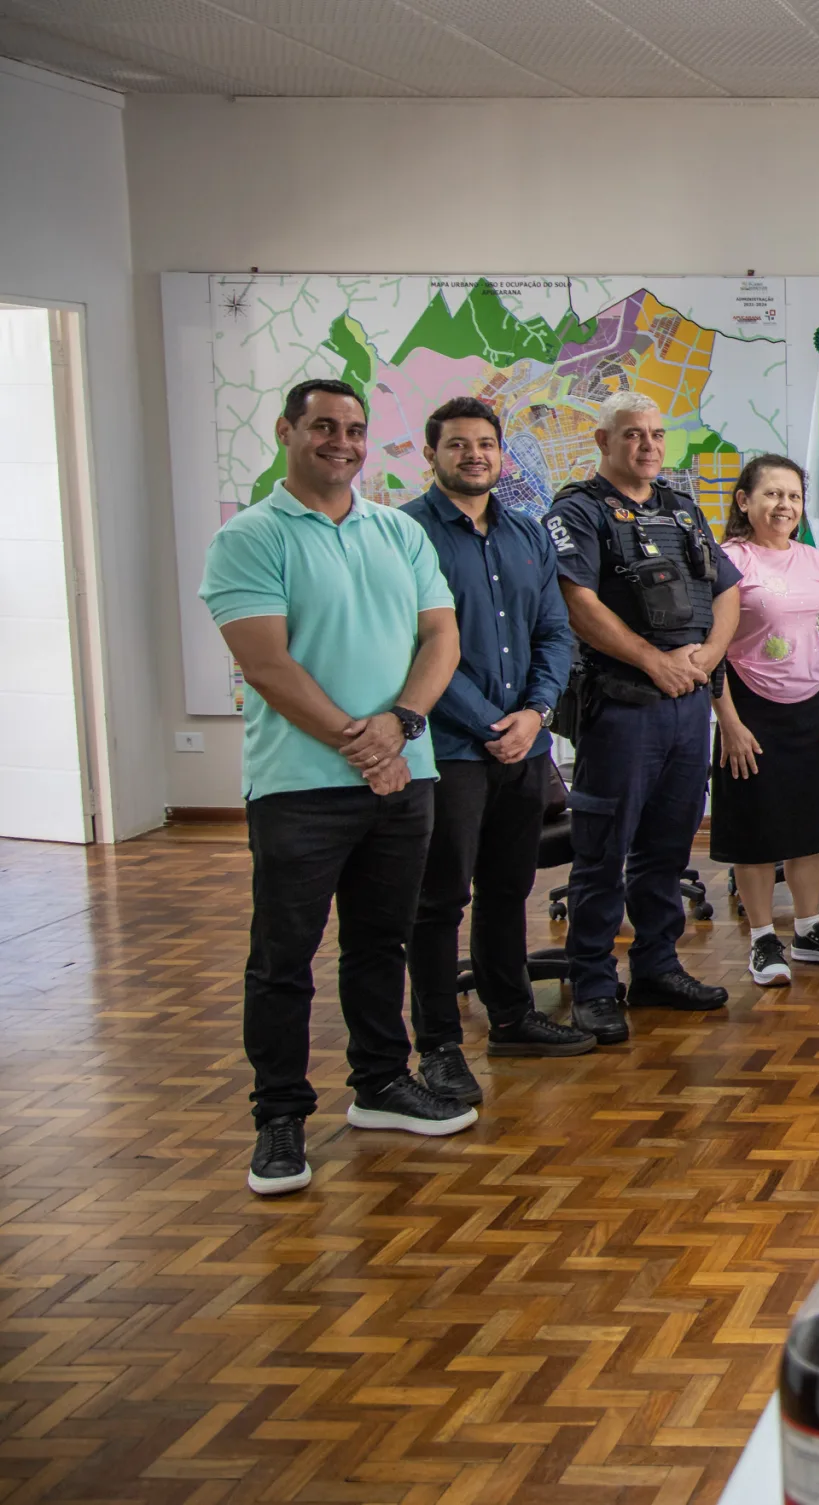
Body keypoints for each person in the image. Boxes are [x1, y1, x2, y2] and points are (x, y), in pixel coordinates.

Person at [199, 377, 467, 1197]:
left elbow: (441, 636)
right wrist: (365, 743)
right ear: (287, 431)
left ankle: (380, 1082)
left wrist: (402, 724)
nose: (341, 442)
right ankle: (279, 1115)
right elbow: (266, 664)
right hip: (299, 786)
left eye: (353, 428)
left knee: (380, 944)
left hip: (405, 776)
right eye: (323, 426)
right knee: (283, 959)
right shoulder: (249, 537)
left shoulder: (399, 531)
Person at [400, 397, 593, 1106]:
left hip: (525, 744)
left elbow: (554, 632)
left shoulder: (526, 533)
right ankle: (439, 1045)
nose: (474, 455)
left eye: (485, 443)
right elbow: (415, 646)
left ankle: (511, 1018)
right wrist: (492, 724)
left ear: (500, 453)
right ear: (432, 453)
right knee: (439, 899)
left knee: (508, 889)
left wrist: (535, 713)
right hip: (451, 748)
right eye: (458, 444)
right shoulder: (407, 533)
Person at [545, 392, 741, 1043]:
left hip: (687, 708)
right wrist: (652, 661)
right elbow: (576, 600)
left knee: (666, 849)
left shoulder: (682, 509)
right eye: (633, 434)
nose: (648, 445)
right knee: (603, 855)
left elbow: (728, 591)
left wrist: (707, 657)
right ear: (604, 440)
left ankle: (657, 967)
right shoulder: (578, 511)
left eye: (656, 434)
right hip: (622, 708)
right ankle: (594, 985)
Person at [710, 455, 819, 988]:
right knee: (754, 827)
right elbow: (713, 649)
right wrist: (728, 722)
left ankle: (808, 930)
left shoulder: (811, 558)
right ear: (744, 500)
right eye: (772, 494)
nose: (785, 505)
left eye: (793, 496)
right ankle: (761, 938)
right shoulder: (730, 560)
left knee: (810, 827)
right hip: (749, 709)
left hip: (808, 710)